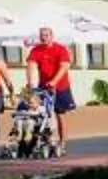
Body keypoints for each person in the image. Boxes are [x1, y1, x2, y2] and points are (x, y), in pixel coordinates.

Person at [26, 26, 74, 156]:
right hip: (43, 86)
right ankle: (45, 141)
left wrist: (54, 81)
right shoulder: (36, 50)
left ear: (51, 36)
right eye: (42, 35)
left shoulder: (60, 49)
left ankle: (62, 143)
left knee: (60, 114)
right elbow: (31, 67)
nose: (44, 37)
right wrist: (31, 85)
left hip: (61, 86)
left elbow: (64, 67)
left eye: (46, 35)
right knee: (40, 114)